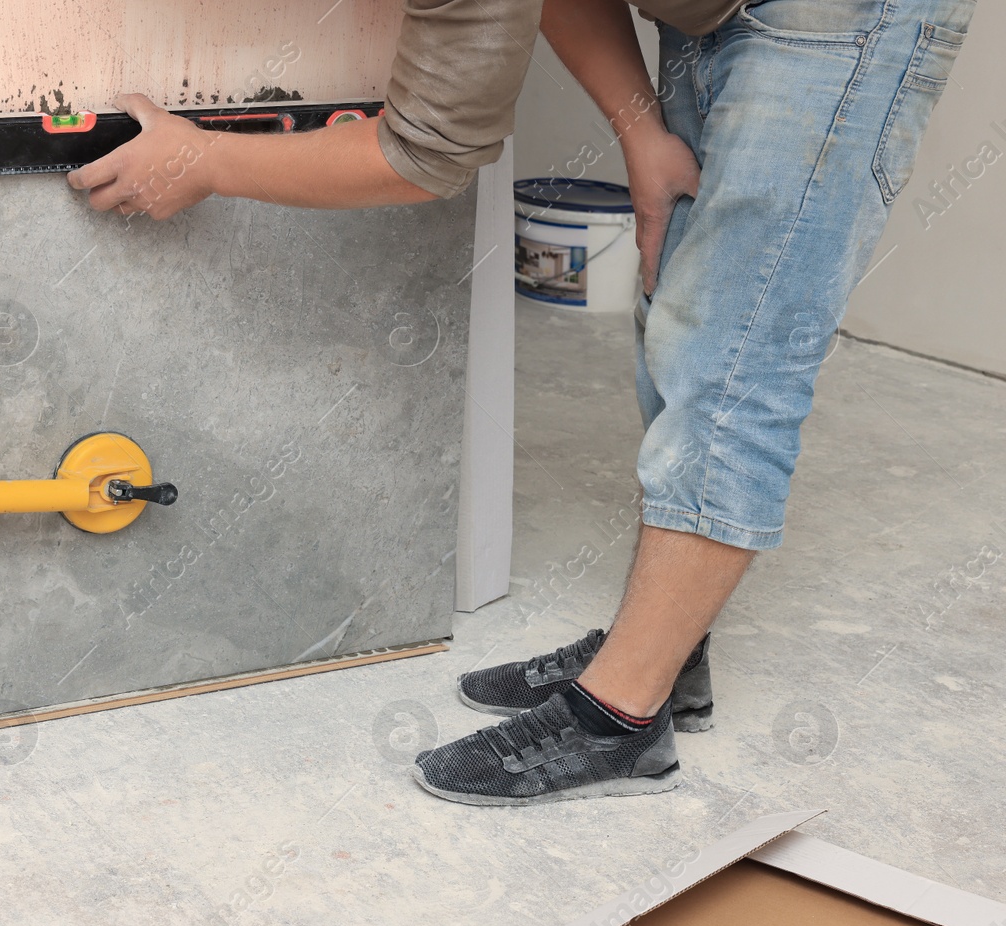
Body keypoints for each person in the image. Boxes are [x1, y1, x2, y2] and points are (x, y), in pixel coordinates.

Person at [68, 0, 975, 805]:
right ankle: (668, 649)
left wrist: (209, 161)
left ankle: (623, 717)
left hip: (846, 19)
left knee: (733, 358)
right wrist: (640, 134)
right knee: (680, 315)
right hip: (716, 19)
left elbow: (426, 152)